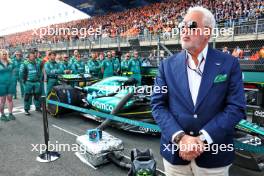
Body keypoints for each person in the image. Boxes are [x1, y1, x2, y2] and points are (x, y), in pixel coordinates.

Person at [151, 6, 246, 176]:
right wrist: (181, 138)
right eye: (183, 25)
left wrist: (201, 139)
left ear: (207, 32)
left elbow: (236, 107)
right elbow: (158, 105)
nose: (184, 30)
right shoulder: (166, 65)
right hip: (175, 156)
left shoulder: (229, 63)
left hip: (214, 159)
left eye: (192, 25)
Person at [20, 51, 42, 115]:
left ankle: (37, 107)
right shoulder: (25, 63)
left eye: (33, 56)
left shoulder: (37, 63)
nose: (33, 57)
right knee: (27, 96)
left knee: (37, 95)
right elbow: (21, 73)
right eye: (31, 56)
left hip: (36, 82)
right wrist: (23, 81)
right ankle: (26, 109)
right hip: (28, 82)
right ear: (29, 57)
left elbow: (39, 72)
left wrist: (39, 80)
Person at [0, 50, 16, 121]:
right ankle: (2, 115)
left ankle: (10, 114)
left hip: (10, 84)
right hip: (1, 84)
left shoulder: (11, 62)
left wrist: (14, 80)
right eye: (3, 54)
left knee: (10, 99)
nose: (4, 55)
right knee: (2, 100)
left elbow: (14, 71)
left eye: (5, 54)